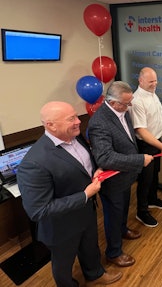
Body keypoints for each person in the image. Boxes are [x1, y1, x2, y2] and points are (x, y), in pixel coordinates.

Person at [17, 101, 122, 287]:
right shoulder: (33, 163)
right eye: (71, 118)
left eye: (76, 116)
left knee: (91, 247)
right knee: (63, 263)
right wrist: (85, 195)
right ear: (50, 125)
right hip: (61, 226)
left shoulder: (75, 135)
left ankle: (95, 274)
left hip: (87, 212)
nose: (78, 122)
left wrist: (95, 172)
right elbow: (38, 210)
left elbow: (81, 166)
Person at [88, 81, 153, 267]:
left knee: (123, 209)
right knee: (113, 215)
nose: (129, 106)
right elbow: (105, 158)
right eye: (126, 103)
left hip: (125, 176)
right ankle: (114, 252)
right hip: (113, 182)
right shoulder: (99, 123)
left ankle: (123, 229)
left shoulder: (123, 111)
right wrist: (139, 160)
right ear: (113, 102)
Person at [129, 67, 162, 227]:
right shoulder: (136, 100)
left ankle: (152, 200)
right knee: (145, 179)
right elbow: (140, 129)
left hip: (156, 140)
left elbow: (154, 117)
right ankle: (142, 211)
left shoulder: (152, 93)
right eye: (150, 81)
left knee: (155, 174)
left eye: (155, 80)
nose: (154, 84)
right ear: (140, 81)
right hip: (146, 145)